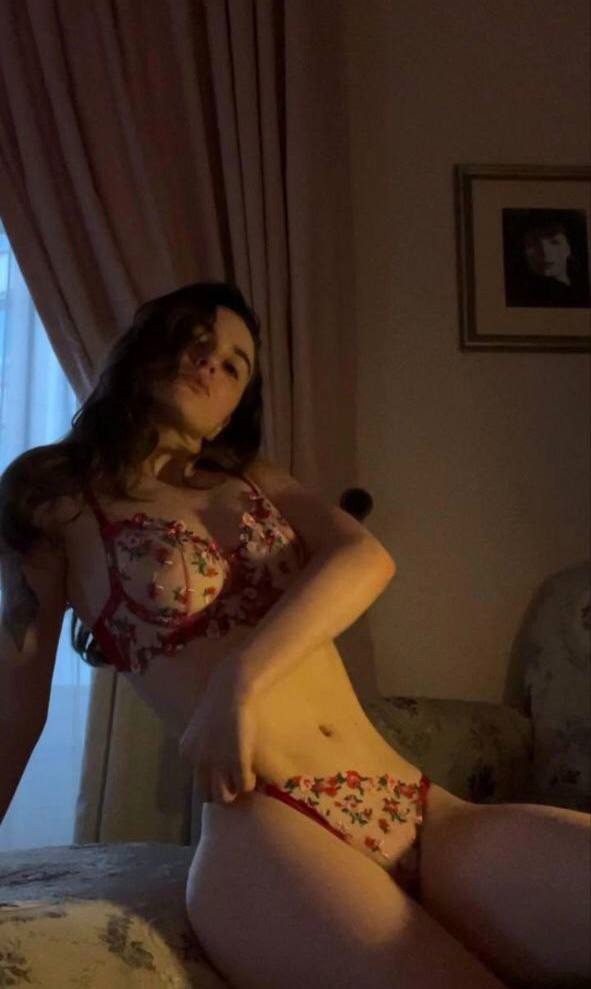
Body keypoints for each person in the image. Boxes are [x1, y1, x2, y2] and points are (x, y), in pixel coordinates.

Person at [0, 281, 588, 989]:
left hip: (414, 804)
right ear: (146, 346)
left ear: (232, 410)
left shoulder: (252, 478)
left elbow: (366, 557)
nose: (211, 361)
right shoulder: (52, 492)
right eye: (196, 339)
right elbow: (16, 701)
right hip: (272, 830)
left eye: (234, 363)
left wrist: (239, 678)